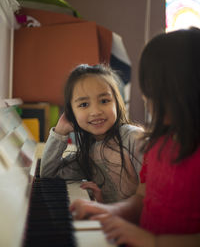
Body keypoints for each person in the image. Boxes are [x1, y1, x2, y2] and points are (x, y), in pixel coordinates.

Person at [69, 28, 200, 246]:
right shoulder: (158, 144)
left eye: (154, 90)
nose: (146, 97)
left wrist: (154, 241)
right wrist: (108, 211)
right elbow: (141, 200)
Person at [40, 64, 143, 203]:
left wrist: (107, 210)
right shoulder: (87, 153)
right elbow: (48, 174)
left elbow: (151, 194)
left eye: (104, 101)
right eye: (83, 104)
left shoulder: (134, 138)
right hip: (110, 220)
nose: (95, 111)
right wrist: (60, 132)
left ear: (117, 103)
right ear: (71, 113)